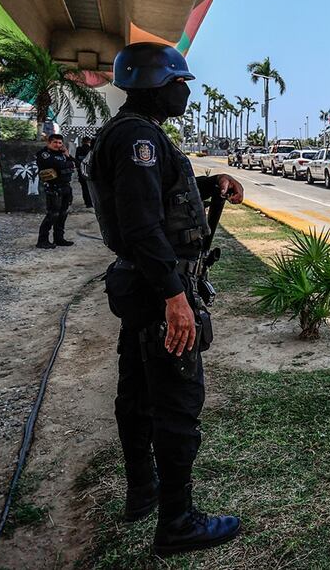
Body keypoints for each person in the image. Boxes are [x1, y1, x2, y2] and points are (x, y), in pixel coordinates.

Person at [84, 42, 244, 557]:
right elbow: (141, 224)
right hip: (158, 291)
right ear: (158, 85)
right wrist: (176, 296)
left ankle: (143, 491)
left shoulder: (134, 134)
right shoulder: (138, 139)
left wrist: (208, 182)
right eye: (180, 81)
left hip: (140, 288)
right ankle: (177, 521)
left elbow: (153, 196)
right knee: (177, 403)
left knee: (136, 391)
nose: (186, 90)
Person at [35, 134, 76, 249]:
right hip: (54, 188)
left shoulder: (62, 154)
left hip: (65, 186)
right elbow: (59, 165)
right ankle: (42, 240)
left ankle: (59, 238)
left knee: (63, 214)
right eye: (55, 142)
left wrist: (68, 158)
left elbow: (73, 164)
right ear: (49, 143)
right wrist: (67, 164)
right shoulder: (44, 154)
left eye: (60, 143)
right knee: (53, 215)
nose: (58, 145)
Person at [74, 136, 94, 208]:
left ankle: (88, 203)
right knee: (91, 188)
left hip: (81, 172)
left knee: (84, 188)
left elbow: (77, 160)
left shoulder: (79, 149)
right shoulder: (91, 149)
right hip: (90, 172)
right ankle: (91, 202)